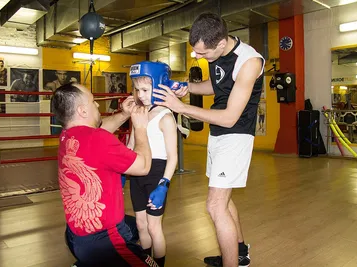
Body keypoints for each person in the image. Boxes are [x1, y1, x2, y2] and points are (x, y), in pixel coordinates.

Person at [153, 12, 265, 267]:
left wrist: (180, 108)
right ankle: (239, 253)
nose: (197, 57)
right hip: (219, 133)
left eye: (203, 53)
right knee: (224, 201)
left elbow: (229, 117)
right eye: (196, 52)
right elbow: (218, 86)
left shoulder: (249, 62)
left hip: (235, 135)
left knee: (214, 206)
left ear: (221, 44)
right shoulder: (217, 53)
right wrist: (187, 87)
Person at [51, 82, 160, 267]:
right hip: (105, 240)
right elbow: (143, 166)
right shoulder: (100, 140)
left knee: (137, 225)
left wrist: (124, 114)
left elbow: (98, 131)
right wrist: (140, 128)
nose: (97, 105)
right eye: (93, 101)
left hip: (76, 234)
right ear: (82, 111)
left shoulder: (68, 136)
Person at [127, 61, 178, 267]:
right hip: (138, 170)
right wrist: (122, 169)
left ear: (158, 87)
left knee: (154, 226)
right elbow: (130, 144)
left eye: (146, 90)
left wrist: (164, 184)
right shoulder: (138, 113)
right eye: (137, 90)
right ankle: (146, 263)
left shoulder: (165, 117)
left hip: (157, 172)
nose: (141, 95)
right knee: (140, 225)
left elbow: (173, 156)